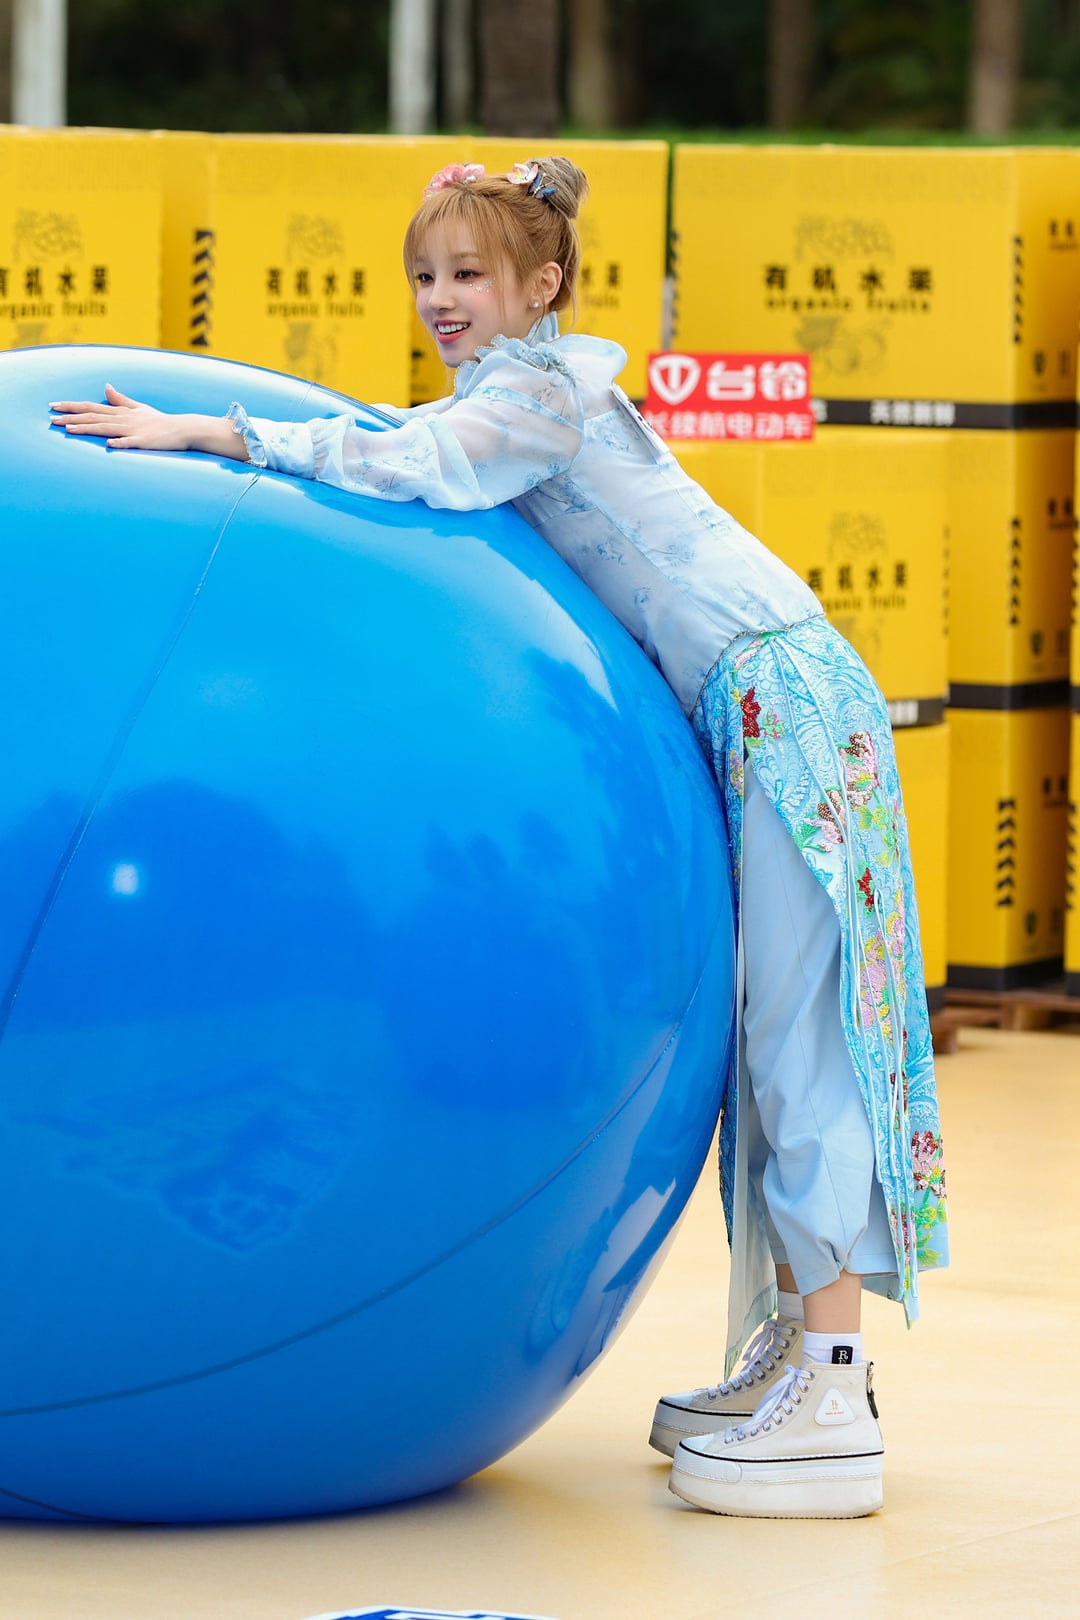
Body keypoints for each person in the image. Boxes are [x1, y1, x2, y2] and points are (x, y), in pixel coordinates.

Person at [50, 154, 949, 1520]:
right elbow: (422, 439)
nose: (440, 297)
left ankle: (835, 1385)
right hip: (753, 706)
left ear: (542, 283)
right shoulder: (514, 391)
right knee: (766, 1045)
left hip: (784, 704)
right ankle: (792, 1348)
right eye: (424, 274)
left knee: (797, 1040)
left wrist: (216, 435)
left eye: (468, 272)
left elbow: (413, 463)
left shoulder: (540, 395)